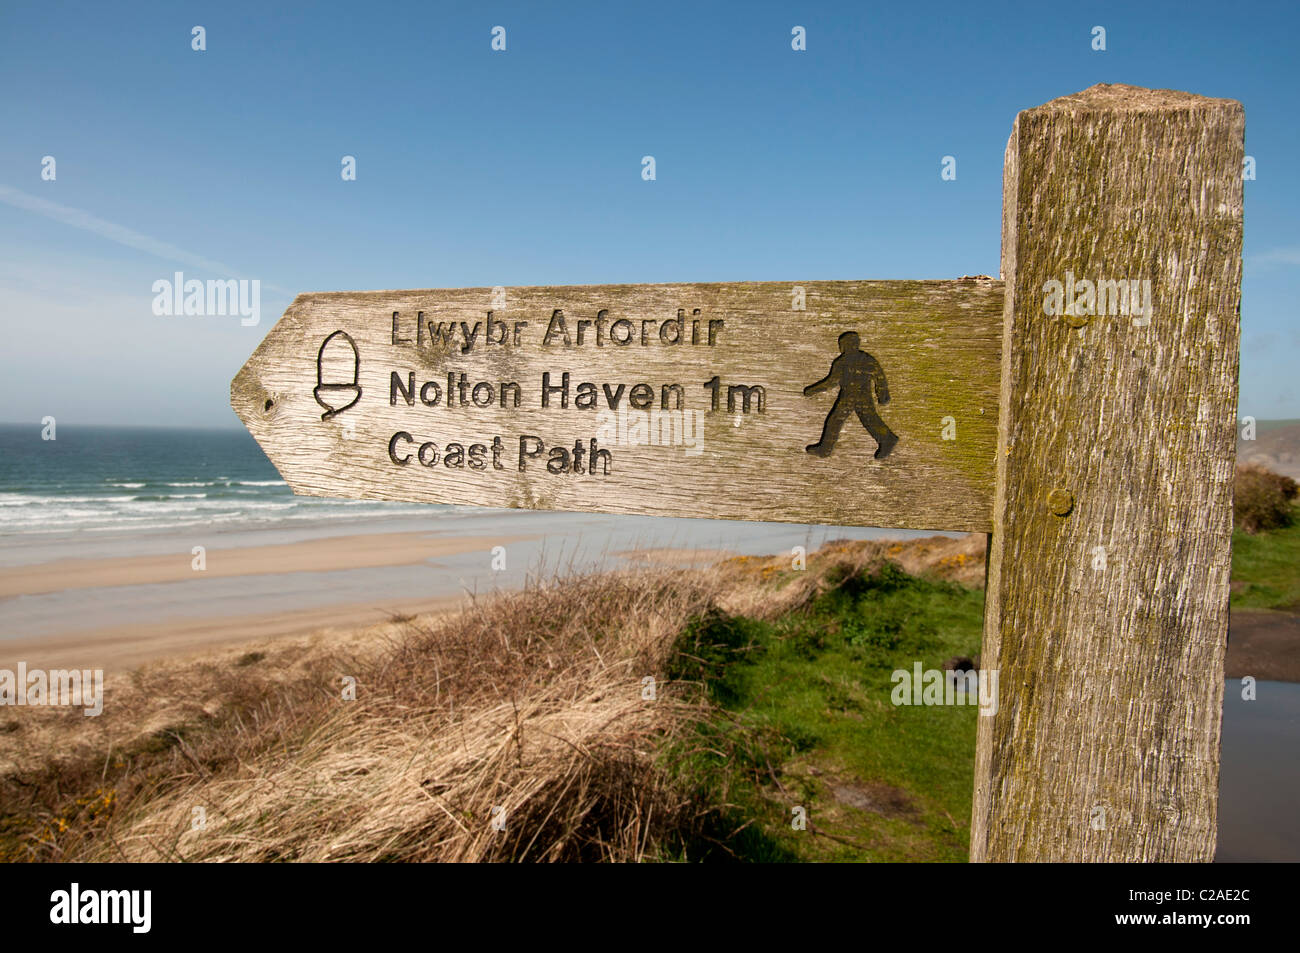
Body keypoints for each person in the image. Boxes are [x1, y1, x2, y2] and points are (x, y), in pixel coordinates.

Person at [803, 331, 898, 459]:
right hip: (859, 397)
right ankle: (888, 439)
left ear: (844, 345)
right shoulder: (865, 359)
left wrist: (812, 390)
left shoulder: (842, 362)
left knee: (837, 420)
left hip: (851, 397)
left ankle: (825, 449)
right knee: (866, 420)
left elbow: (830, 382)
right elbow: (879, 377)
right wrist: (882, 394)